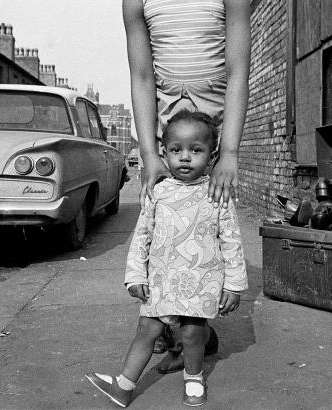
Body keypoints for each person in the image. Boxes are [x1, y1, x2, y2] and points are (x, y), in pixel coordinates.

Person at [85, 110, 248, 407]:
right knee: (146, 330)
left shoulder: (217, 194)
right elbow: (141, 237)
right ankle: (124, 386)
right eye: (176, 150)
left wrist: (234, 285)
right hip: (160, 280)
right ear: (164, 153)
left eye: (195, 150)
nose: (185, 157)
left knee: (192, 333)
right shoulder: (157, 193)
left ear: (212, 156)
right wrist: (135, 276)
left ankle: (194, 380)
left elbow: (231, 241)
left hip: (201, 279)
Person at [122, 0, 251, 371]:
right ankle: (173, 324)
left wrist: (229, 151)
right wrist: (149, 153)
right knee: (163, 229)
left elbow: (237, 70)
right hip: (168, 130)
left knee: (208, 226)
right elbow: (142, 76)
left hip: (211, 131)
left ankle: (191, 333)